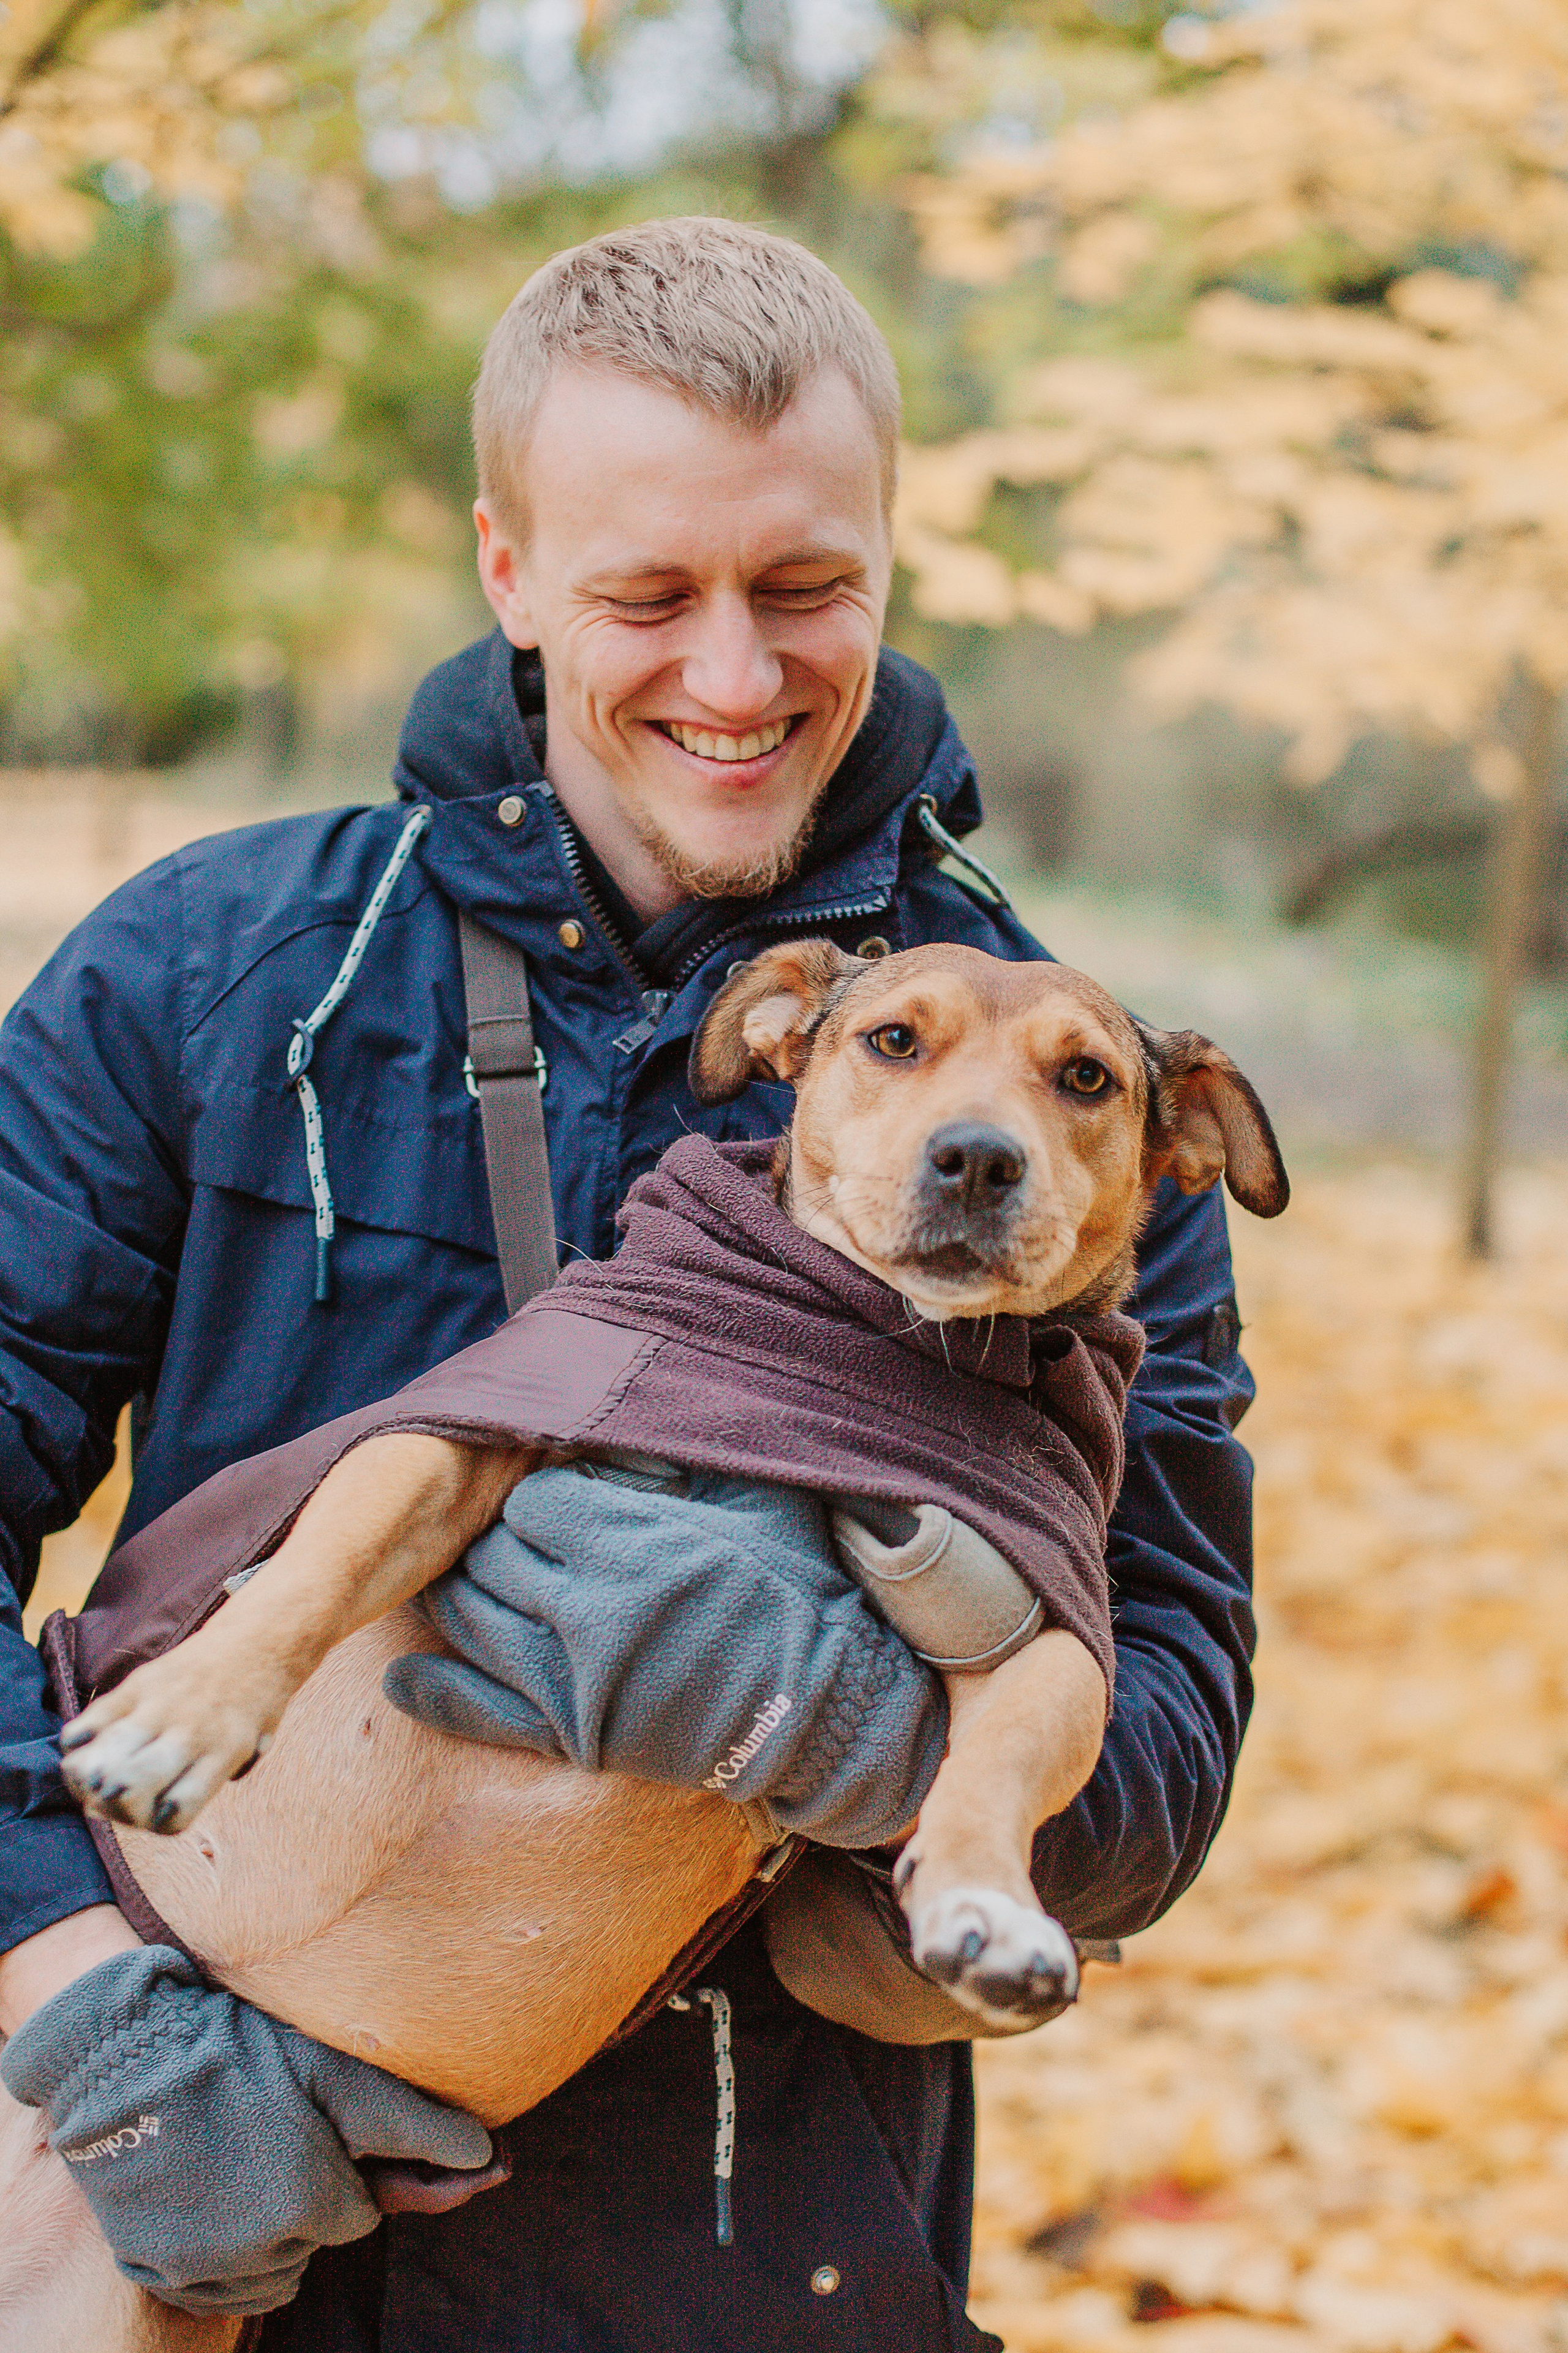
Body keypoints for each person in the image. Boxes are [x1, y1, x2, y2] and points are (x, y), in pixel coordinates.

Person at [0, 217, 1258, 2352]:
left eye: (804, 585)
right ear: (507, 569)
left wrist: (882, 1745)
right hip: (200, 2227)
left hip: (763, 2272)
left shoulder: (1072, 1114)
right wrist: (78, 1990)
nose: (737, 679)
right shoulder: (211, 976)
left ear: (889, 559)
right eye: (650, 596)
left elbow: (1169, 1743)